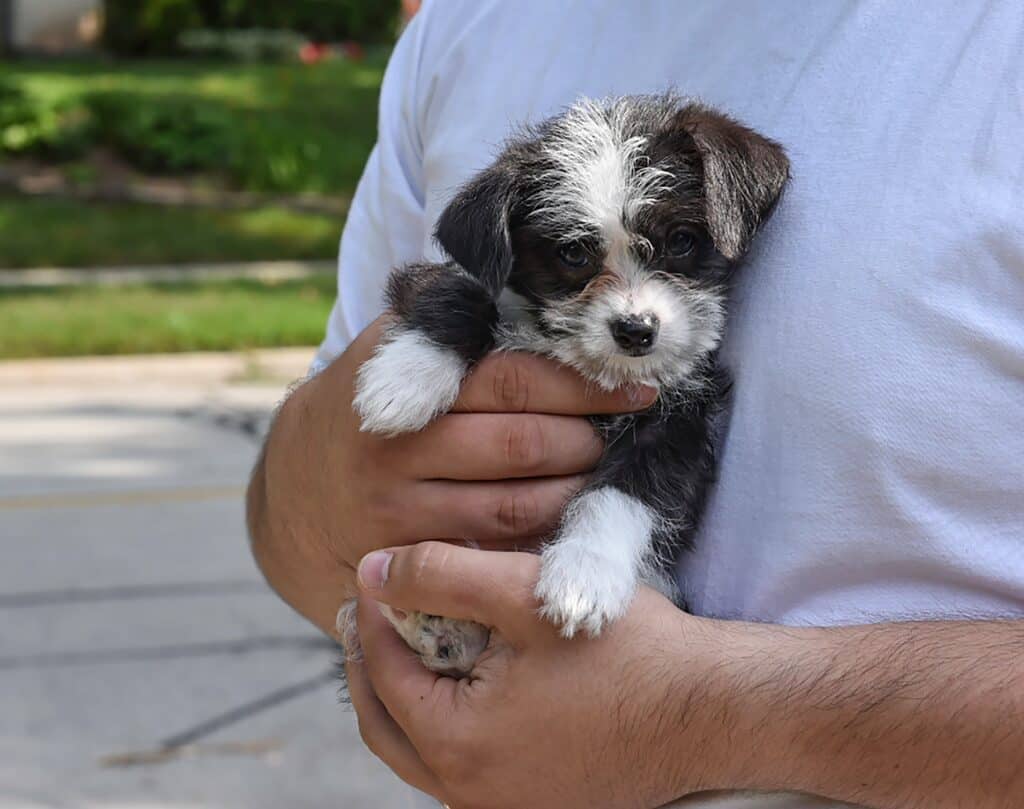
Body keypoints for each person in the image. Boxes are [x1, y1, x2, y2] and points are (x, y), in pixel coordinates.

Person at [246, 2, 1024, 807]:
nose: (633, 307)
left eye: (678, 247)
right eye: (579, 260)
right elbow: (302, 523)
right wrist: (311, 481)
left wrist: (696, 714)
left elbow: (670, 451)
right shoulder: (464, 27)